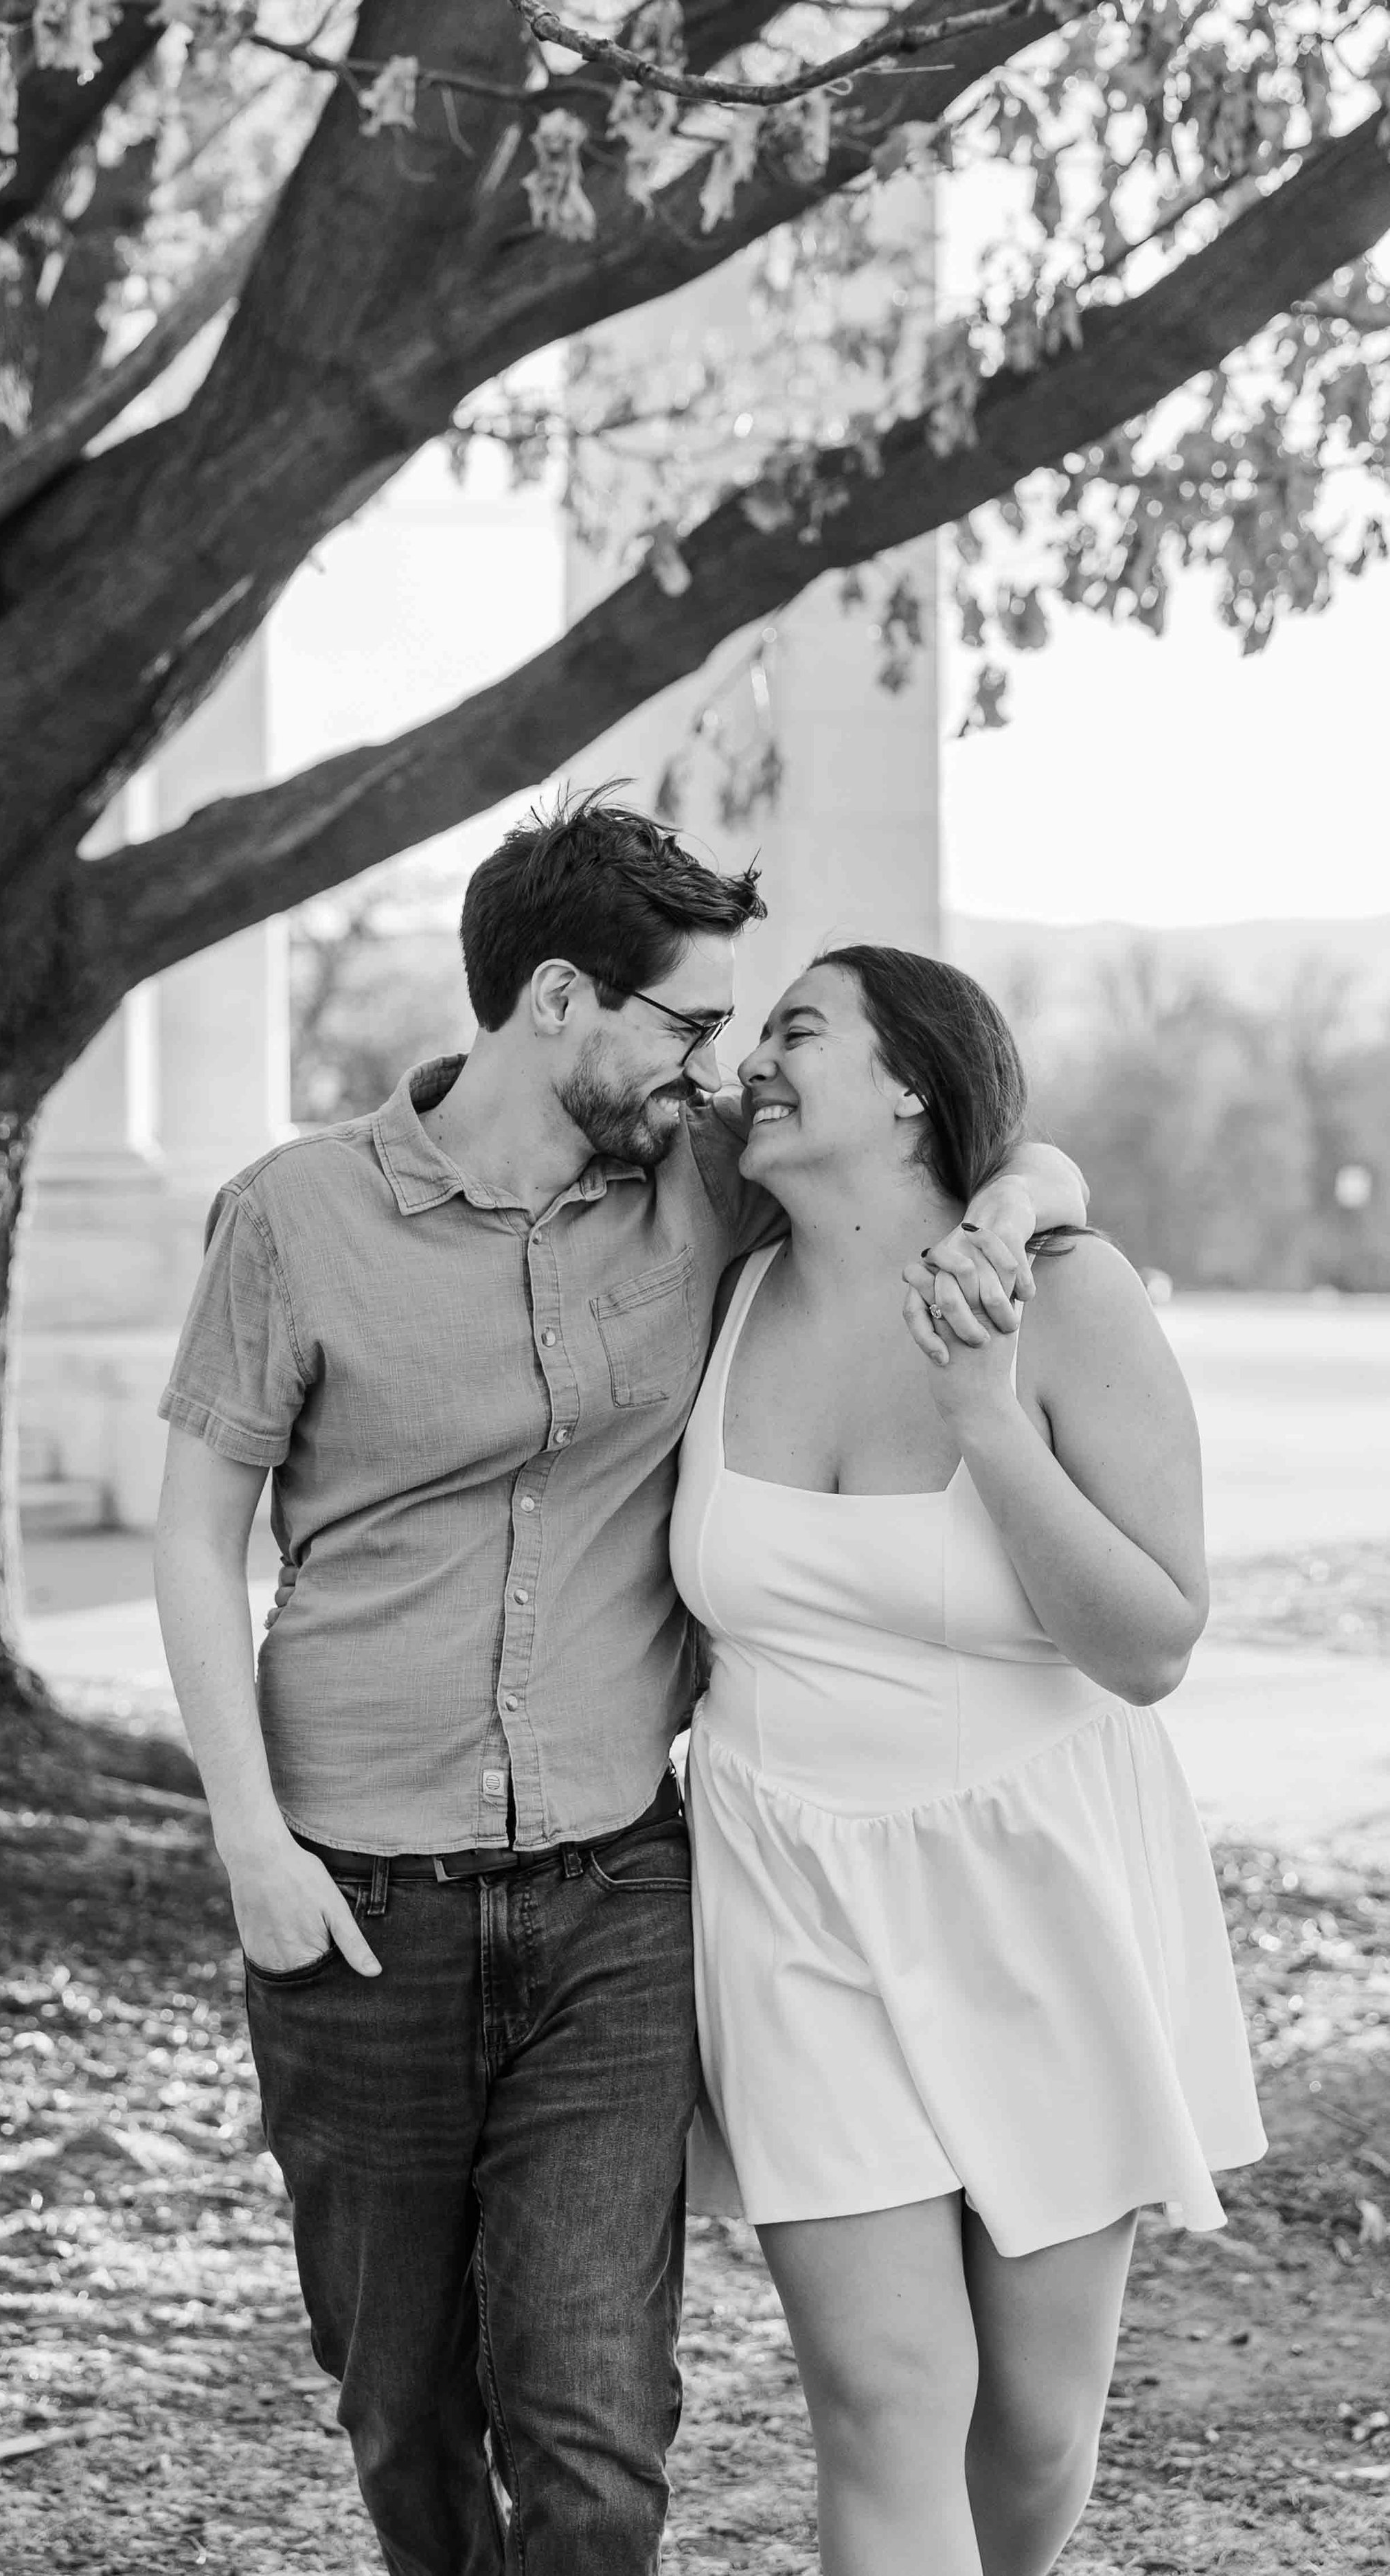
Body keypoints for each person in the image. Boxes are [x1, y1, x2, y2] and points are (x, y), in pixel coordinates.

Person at [152, 798, 1086, 2576]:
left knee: (592, 2424)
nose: (716, 1066)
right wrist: (252, 1850)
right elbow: (197, 1538)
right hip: (354, 1907)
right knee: (404, 2405)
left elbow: (986, 1146)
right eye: (687, 1022)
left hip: (612, 1895)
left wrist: (1020, 1204)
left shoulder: (699, 1172)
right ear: (561, 999)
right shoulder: (291, 1215)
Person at [672, 945, 1266, 2576]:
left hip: (1034, 1888)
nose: (753, 1061)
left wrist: (987, 1417)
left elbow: (1148, 1647)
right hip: (783, 1893)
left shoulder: (1067, 1295)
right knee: (881, 2399)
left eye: (797, 1031)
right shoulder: (715, 1273)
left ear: (908, 1087)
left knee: (1028, 2427)